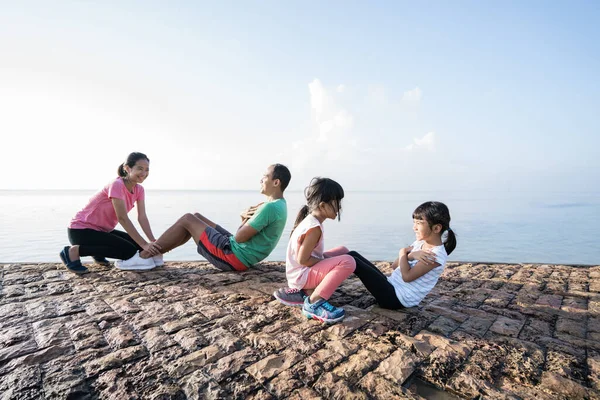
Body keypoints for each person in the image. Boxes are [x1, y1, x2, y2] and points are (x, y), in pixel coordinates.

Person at [125, 164, 291, 271]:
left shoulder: (269, 207)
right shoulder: (279, 205)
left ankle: (145, 256)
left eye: (265, 176)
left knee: (187, 219)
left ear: (276, 182)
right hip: (240, 253)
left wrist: (244, 219)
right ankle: (157, 254)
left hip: (234, 257)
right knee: (197, 217)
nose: (261, 179)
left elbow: (240, 238)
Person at [59, 152, 162, 274]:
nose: (144, 173)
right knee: (128, 251)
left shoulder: (139, 189)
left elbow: (142, 217)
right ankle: (74, 251)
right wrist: (145, 244)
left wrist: (152, 241)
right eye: (140, 169)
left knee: (138, 249)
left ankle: (97, 253)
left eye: (147, 170)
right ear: (127, 168)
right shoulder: (116, 185)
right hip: (81, 231)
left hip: (102, 231)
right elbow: (122, 218)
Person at [273, 177, 356, 324]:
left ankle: (305, 293)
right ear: (323, 205)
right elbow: (303, 260)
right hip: (301, 276)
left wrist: (326, 261)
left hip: (301, 272)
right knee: (348, 262)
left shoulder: (312, 221)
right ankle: (314, 302)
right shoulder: (313, 228)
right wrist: (326, 262)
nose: (339, 207)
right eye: (337, 202)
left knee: (344, 250)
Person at [348, 201, 457, 309]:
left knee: (353, 261)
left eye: (419, 223)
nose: (414, 228)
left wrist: (402, 252)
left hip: (397, 299)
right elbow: (395, 266)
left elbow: (407, 277)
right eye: (414, 223)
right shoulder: (419, 244)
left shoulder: (435, 255)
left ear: (436, 228)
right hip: (392, 285)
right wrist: (410, 255)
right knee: (352, 254)